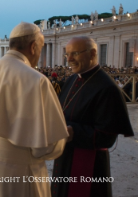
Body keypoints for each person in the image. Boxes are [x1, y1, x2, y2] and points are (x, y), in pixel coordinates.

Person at [0, 22, 69, 197]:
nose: (39, 55)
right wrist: (63, 135)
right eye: (40, 49)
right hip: (16, 171)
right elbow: (44, 147)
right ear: (33, 47)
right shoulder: (36, 81)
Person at [51, 36, 134, 197]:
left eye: (75, 53)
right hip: (65, 156)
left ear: (92, 53)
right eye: (67, 54)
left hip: (89, 164)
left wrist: (72, 131)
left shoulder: (107, 88)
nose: (69, 59)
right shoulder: (72, 79)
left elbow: (107, 137)